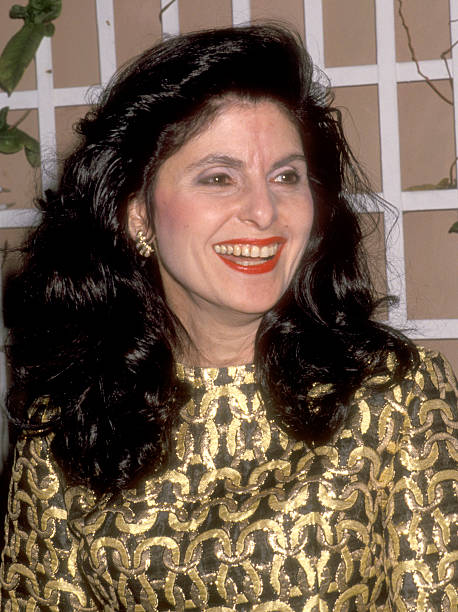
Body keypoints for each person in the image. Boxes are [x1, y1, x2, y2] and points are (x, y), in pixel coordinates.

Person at [0, 23, 457, 611]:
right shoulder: (67, 421)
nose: (264, 211)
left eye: (286, 177)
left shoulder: (393, 395)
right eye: (219, 178)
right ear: (137, 215)